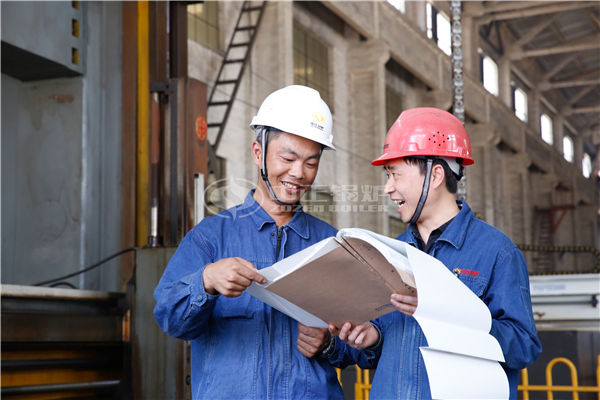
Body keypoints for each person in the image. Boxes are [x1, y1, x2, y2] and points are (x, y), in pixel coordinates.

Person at [153, 85, 370, 399]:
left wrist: (330, 344)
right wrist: (206, 281)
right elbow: (170, 320)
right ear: (258, 152)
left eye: (311, 163)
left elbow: (367, 349)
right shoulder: (212, 237)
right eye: (288, 158)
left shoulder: (331, 245)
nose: (298, 173)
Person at [331, 107, 542, 399]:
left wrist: (446, 312)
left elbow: (523, 347)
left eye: (395, 175)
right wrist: (374, 339)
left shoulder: (497, 253)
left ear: (435, 175)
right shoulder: (391, 253)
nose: (388, 188)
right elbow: (388, 350)